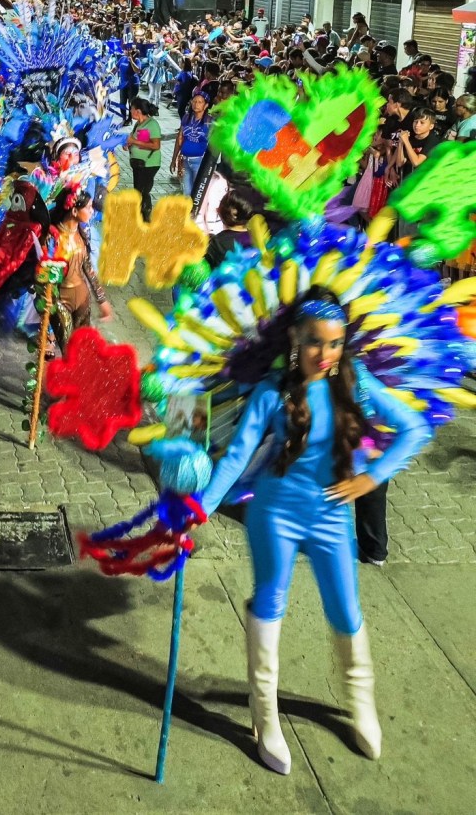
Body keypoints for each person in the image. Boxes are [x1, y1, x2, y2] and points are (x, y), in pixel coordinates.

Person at [200, 286, 430, 774]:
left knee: (346, 610)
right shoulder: (272, 392)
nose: (324, 354)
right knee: (270, 602)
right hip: (275, 515)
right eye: (314, 342)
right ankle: (264, 714)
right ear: (294, 338)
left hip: (332, 518)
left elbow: (415, 428)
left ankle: (361, 703)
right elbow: (237, 455)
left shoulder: (356, 381)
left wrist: (371, 477)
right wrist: (200, 508)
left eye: (334, 343)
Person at [45, 188, 113, 351]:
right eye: (88, 207)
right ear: (74, 211)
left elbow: (88, 269)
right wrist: (45, 298)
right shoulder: (52, 238)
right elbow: (43, 273)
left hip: (82, 299)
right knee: (69, 351)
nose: (92, 211)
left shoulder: (82, 234)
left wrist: (102, 300)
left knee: (83, 348)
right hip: (60, 302)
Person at [126, 98, 162, 221]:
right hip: (138, 164)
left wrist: (133, 141)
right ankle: (139, 216)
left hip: (149, 164)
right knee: (138, 190)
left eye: (131, 109)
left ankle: (146, 218)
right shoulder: (139, 124)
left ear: (138, 111)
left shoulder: (152, 124)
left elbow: (156, 145)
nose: (130, 111)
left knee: (143, 191)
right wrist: (129, 144)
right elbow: (143, 142)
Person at [171, 92, 211, 197]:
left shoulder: (209, 121)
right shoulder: (187, 117)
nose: (196, 104)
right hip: (185, 161)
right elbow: (179, 138)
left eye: (200, 102)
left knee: (197, 193)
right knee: (186, 193)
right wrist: (174, 159)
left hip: (199, 162)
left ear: (206, 105)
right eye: (194, 101)